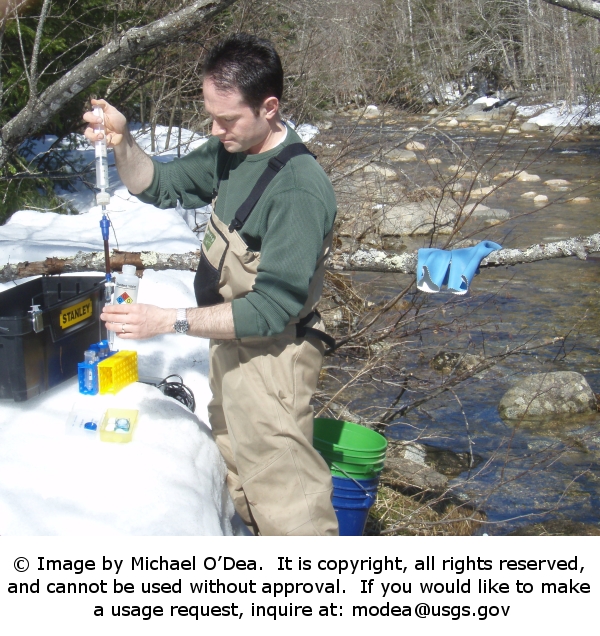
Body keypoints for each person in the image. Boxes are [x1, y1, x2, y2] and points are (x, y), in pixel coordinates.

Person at [84, 33, 339, 536]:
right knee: (241, 480)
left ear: (269, 108)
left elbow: (270, 310)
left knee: (290, 506)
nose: (216, 129)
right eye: (211, 117)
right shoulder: (232, 148)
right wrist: (123, 140)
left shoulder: (298, 189)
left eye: (227, 119)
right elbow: (159, 184)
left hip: (275, 359)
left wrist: (168, 320)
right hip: (230, 348)